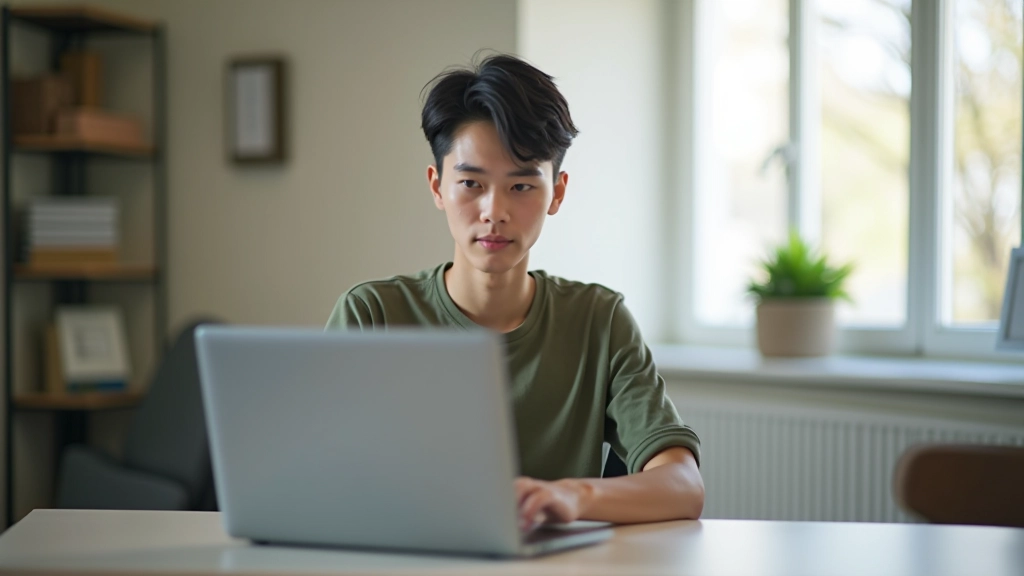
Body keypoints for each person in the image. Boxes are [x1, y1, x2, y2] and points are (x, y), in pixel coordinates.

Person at [326, 53, 704, 531]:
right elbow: (322, 476)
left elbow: (684, 486)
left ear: (557, 193)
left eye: (522, 186)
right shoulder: (373, 315)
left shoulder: (599, 320)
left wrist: (573, 495)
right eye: (470, 183)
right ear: (437, 187)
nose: (494, 211)